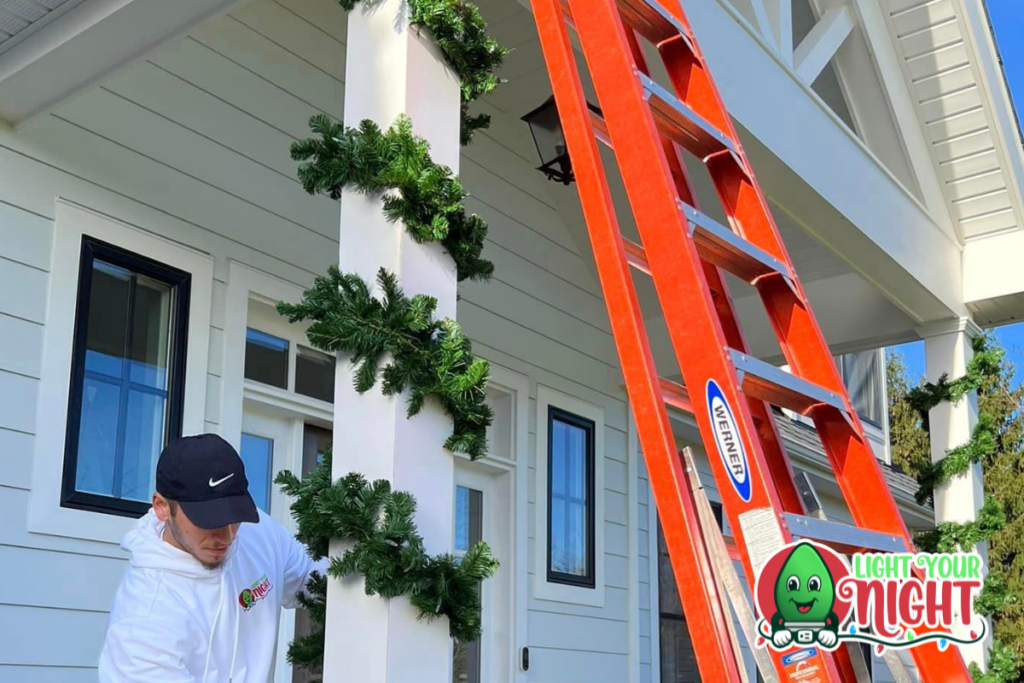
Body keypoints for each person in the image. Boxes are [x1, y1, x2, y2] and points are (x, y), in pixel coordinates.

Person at [99, 433, 326, 682]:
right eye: (208, 520)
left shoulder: (260, 533)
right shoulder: (142, 624)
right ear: (162, 507)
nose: (227, 536)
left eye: (233, 515)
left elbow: (317, 579)